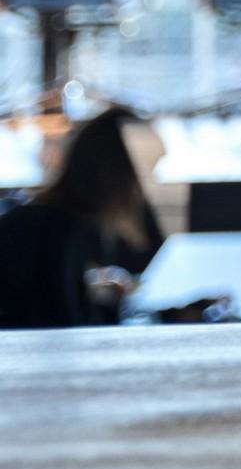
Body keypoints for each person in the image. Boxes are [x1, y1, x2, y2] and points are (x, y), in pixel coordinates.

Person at [0, 107, 163, 328]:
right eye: (147, 169)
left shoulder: (71, 224)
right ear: (118, 172)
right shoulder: (58, 230)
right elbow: (63, 326)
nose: (148, 184)